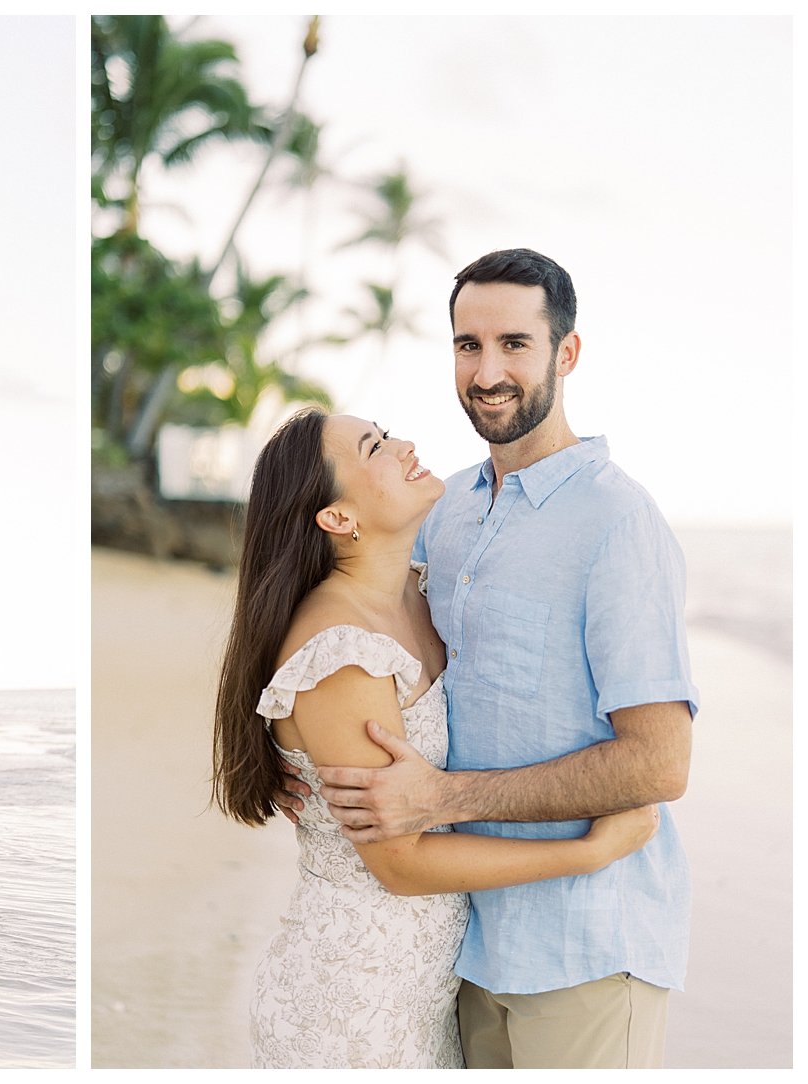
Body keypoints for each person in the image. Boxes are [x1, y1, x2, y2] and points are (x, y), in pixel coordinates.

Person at [276, 249, 697, 1068]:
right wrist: (289, 758)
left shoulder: (619, 523)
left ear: (565, 354)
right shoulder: (446, 512)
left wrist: (443, 796)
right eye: (469, 345)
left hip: (586, 943)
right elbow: (331, 618)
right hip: (464, 945)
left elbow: (661, 763)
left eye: (514, 343)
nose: (488, 370)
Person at [213, 407, 659, 1068]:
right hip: (355, 1001)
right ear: (338, 519)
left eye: (387, 434)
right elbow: (401, 861)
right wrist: (589, 852)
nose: (404, 446)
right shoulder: (343, 654)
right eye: (375, 449)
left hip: (424, 990)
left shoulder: (418, 590)